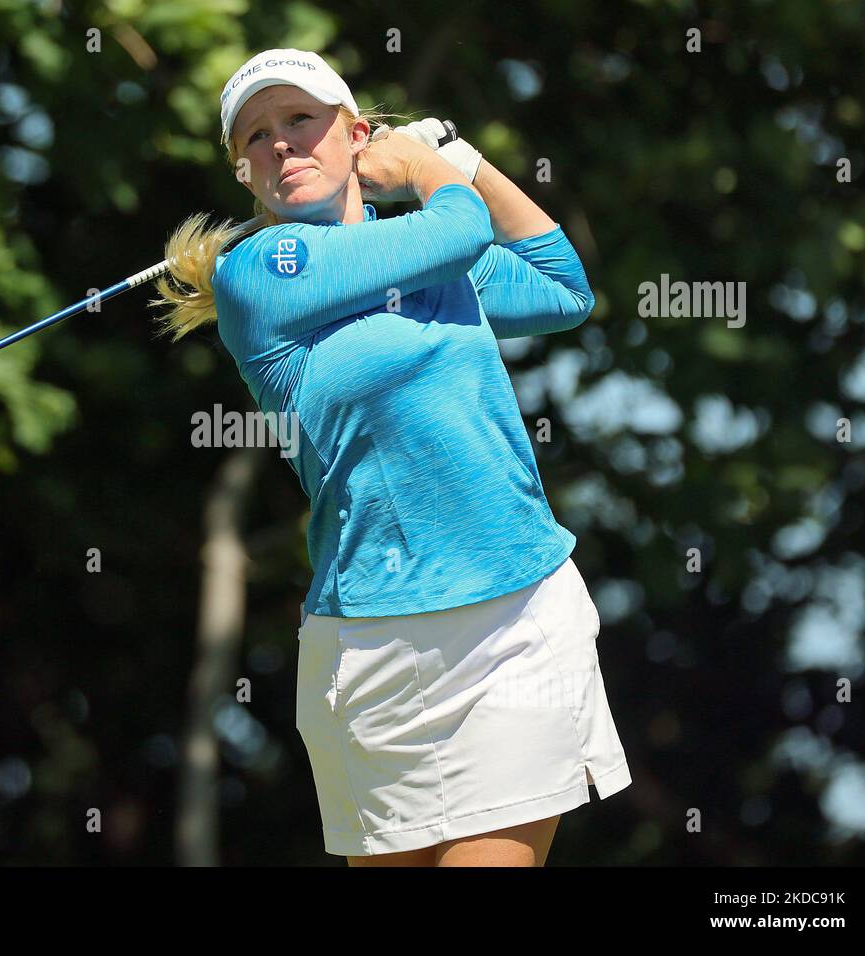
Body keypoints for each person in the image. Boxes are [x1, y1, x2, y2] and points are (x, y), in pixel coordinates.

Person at [149, 48, 631, 866]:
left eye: (300, 119)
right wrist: (428, 167)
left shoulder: (434, 251)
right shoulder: (259, 272)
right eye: (256, 136)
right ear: (245, 173)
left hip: (515, 622)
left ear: (354, 135)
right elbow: (459, 223)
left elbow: (562, 288)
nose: (281, 144)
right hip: (371, 654)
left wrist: (463, 161)